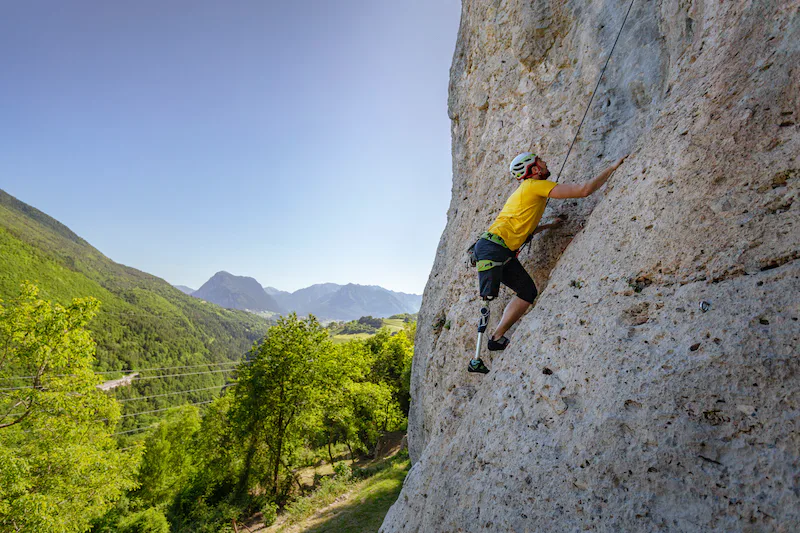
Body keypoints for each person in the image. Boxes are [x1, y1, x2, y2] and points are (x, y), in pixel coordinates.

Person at [468, 151, 627, 374]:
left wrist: (550, 226)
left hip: (496, 248)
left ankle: (496, 338)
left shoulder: (528, 190)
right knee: (488, 297)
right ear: (533, 170)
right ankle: (476, 358)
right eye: (540, 161)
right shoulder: (533, 186)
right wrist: (611, 168)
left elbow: (525, 226)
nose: (545, 162)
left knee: (527, 292)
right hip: (494, 250)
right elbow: (584, 190)